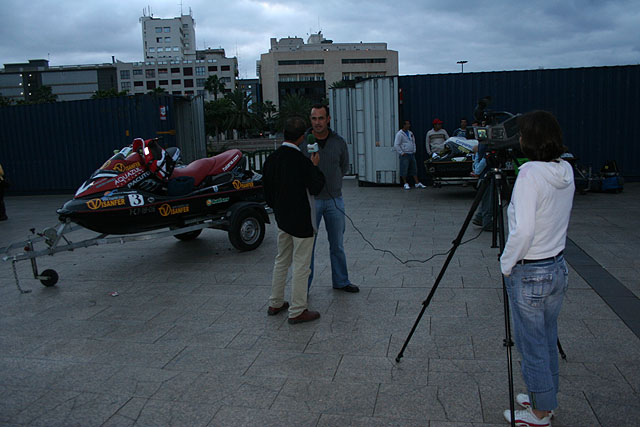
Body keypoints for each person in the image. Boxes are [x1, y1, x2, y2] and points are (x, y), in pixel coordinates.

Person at [500, 110, 574, 427]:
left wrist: (506, 262)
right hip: (557, 267)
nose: (517, 139)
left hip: (531, 271)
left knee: (532, 346)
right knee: (545, 339)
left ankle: (540, 413)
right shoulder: (565, 169)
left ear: (530, 140)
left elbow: (524, 231)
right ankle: (546, 397)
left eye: (521, 134)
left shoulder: (530, 173)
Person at [262, 116, 326, 324]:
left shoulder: (272, 159)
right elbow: (316, 186)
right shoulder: (302, 162)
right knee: (301, 265)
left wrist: (279, 209)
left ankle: (276, 301)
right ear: (301, 137)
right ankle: (298, 309)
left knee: (281, 260)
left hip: (283, 220)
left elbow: (268, 193)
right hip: (302, 222)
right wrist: (315, 166)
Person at [303, 104, 359, 293]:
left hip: (335, 200)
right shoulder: (303, 141)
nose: (317, 122)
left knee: (337, 244)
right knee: (307, 246)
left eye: (321, 118)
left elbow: (344, 167)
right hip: (311, 201)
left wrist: (332, 182)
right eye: (314, 118)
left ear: (328, 119)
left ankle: (341, 281)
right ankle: (304, 288)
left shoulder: (339, 142)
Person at [393, 120, 426, 190]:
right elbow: (396, 144)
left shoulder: (410, 133)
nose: (409, 125)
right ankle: (405, 183)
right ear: (404, 125)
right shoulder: (400, 134)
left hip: (411, 154)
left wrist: (414, 150)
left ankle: (417, 183)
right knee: (404, 169)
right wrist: (401, 152)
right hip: (405, 154)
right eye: (407, 124)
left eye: (409, 124)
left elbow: (413, 142)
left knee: (414, 169)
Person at [471, 143, 493, 231]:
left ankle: (479, 217)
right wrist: (477, 171)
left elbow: (478, 159)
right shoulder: (486, 146)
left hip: (483, 176)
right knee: (488, 200)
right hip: (487, 176)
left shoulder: (481, 145)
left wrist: (477, 171)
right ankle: (487, 222)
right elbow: (483, 160)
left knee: (487, 199)